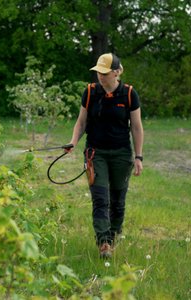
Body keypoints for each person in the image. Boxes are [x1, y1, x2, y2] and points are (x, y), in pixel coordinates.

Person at [66, 53, 144, 258]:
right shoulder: (90, 92)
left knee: (118, 201)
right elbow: (81, 122)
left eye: (105, 72)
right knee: (100, 199)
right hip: (95, 153)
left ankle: (113, 235)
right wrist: (73, 142)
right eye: (98, 72)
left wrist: (139, 157)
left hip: (121, 153)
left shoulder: (128, 94)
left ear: (116, 72)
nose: (100, 76)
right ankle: (104, 243)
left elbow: (136, 127)